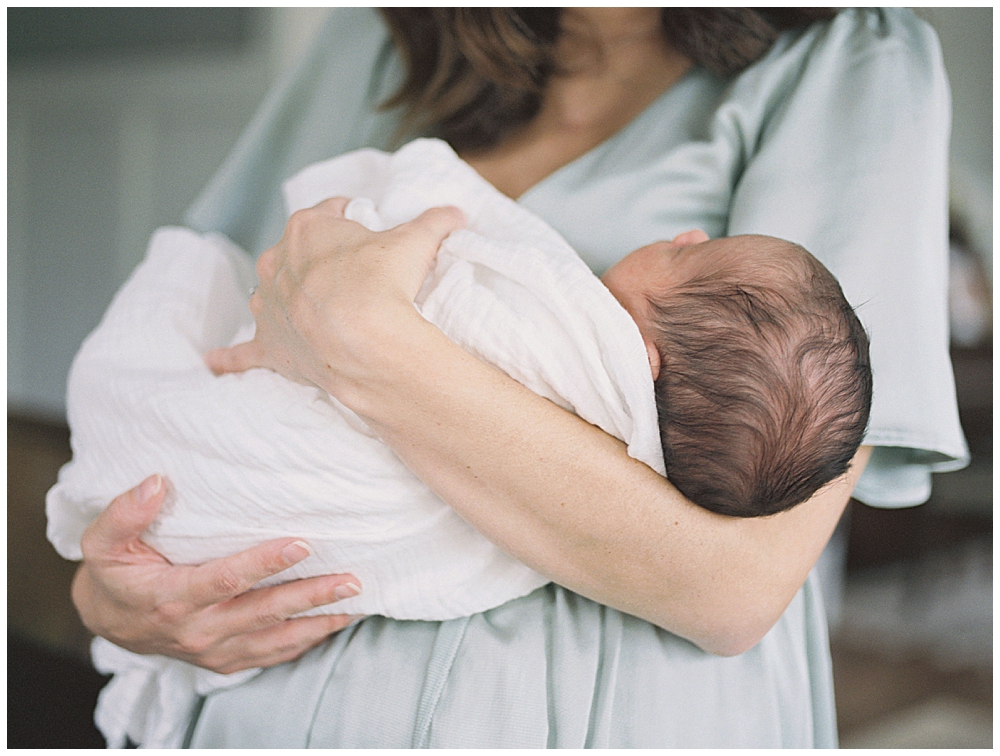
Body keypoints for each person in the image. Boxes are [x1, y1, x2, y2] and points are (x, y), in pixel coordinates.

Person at [69, 8, 967, 748]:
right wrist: (116, 594)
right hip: (270, 712)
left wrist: (366, 338)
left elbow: (732, 588)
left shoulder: (852, 61)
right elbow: (203, 311)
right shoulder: (379, 37)